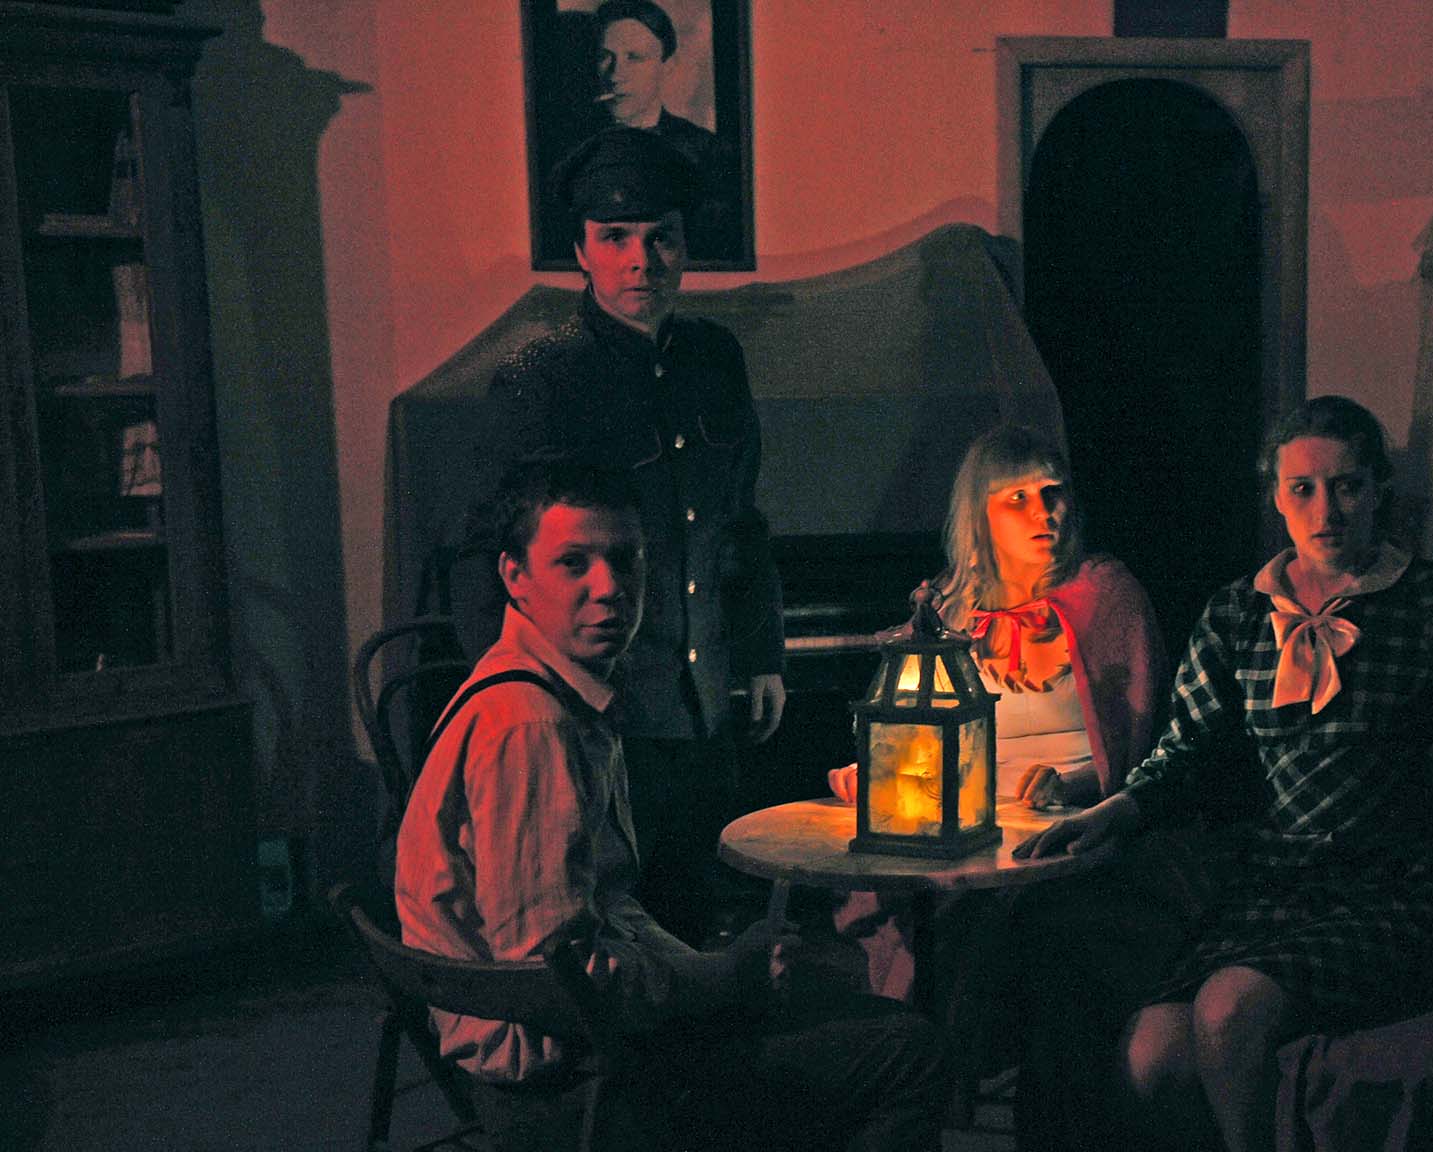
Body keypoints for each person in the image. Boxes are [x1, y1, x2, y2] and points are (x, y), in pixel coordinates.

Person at [1016, 397, 1433, 1152]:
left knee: (1228, 1011)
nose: (1327, 510)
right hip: (1268, 892)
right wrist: (1107, 812)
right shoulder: (1236, 615)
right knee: (1150, 1058)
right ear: (1276, 498)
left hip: (1386, 891)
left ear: (1378, 490)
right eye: (1304, 489)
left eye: (1347, 485)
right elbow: (1184, 756)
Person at [396, 462, 945, 1150]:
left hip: (575, 1055)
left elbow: (605, 908)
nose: (609, 588)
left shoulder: (549, 689)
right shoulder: (532, 725)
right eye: (573, 563)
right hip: (569, 1091)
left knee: (823, 1003)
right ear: (514, 576)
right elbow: (558, 979)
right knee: (907, 1051)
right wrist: (720, 978)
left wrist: (714, 970)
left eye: (625, 560)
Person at [826, 424, 1199, 1150]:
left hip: (1087, 846)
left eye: (1053, 493)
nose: (1044, 513)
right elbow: (914, 734)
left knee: (1051, 944)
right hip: (975, 847)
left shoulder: (1107, 596)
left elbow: (1145, 748)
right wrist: (877, 773)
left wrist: (1074, 784)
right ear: (981, 516)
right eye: (1017, 499)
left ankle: (1047, 1123)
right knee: (953, 933)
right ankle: (931, 1101)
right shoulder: (947, 612)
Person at [484, 126, 782, 946]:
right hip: (604, 709)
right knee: (616, 924)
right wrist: (535, 706)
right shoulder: (542, 375)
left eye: (661, 238)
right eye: (615, 238)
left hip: (702, 699)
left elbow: (741, 520)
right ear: (581, 251)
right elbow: (502, 556)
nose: (641, 262)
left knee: (703, 914)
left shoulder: (714, 360)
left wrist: (761, 653)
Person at [590, 0, 744, 262]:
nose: (615, 75)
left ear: (667, 66)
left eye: (634, 58)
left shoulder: (709, 152)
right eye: (605, 56)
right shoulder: (573, 152)